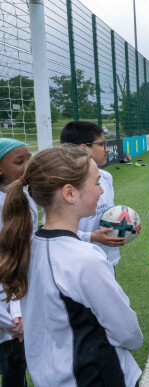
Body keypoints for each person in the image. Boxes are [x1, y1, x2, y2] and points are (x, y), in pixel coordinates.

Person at [0, 146, 142, 386]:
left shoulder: (26, 247)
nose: (102, 190)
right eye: (96, 182)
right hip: (98, 378)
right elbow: (128, 333)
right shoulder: (86, 260)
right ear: (70, 193)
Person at [60, 121, 126, 267]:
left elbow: (109, 213)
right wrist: (91, 237)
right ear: (84, 148)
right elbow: (55, 232)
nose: (107, 149)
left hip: (107, 257)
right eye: (102, 144)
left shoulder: (106, 177)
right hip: (78, 263)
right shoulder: (62, 185)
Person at [0, 139, 36, 387]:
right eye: (19, 161)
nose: (27, 166)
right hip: (7, 317)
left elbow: (30, 246)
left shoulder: (26, 198)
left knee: (16, 374)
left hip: (16, 310)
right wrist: (11, 320)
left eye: (29, 159)